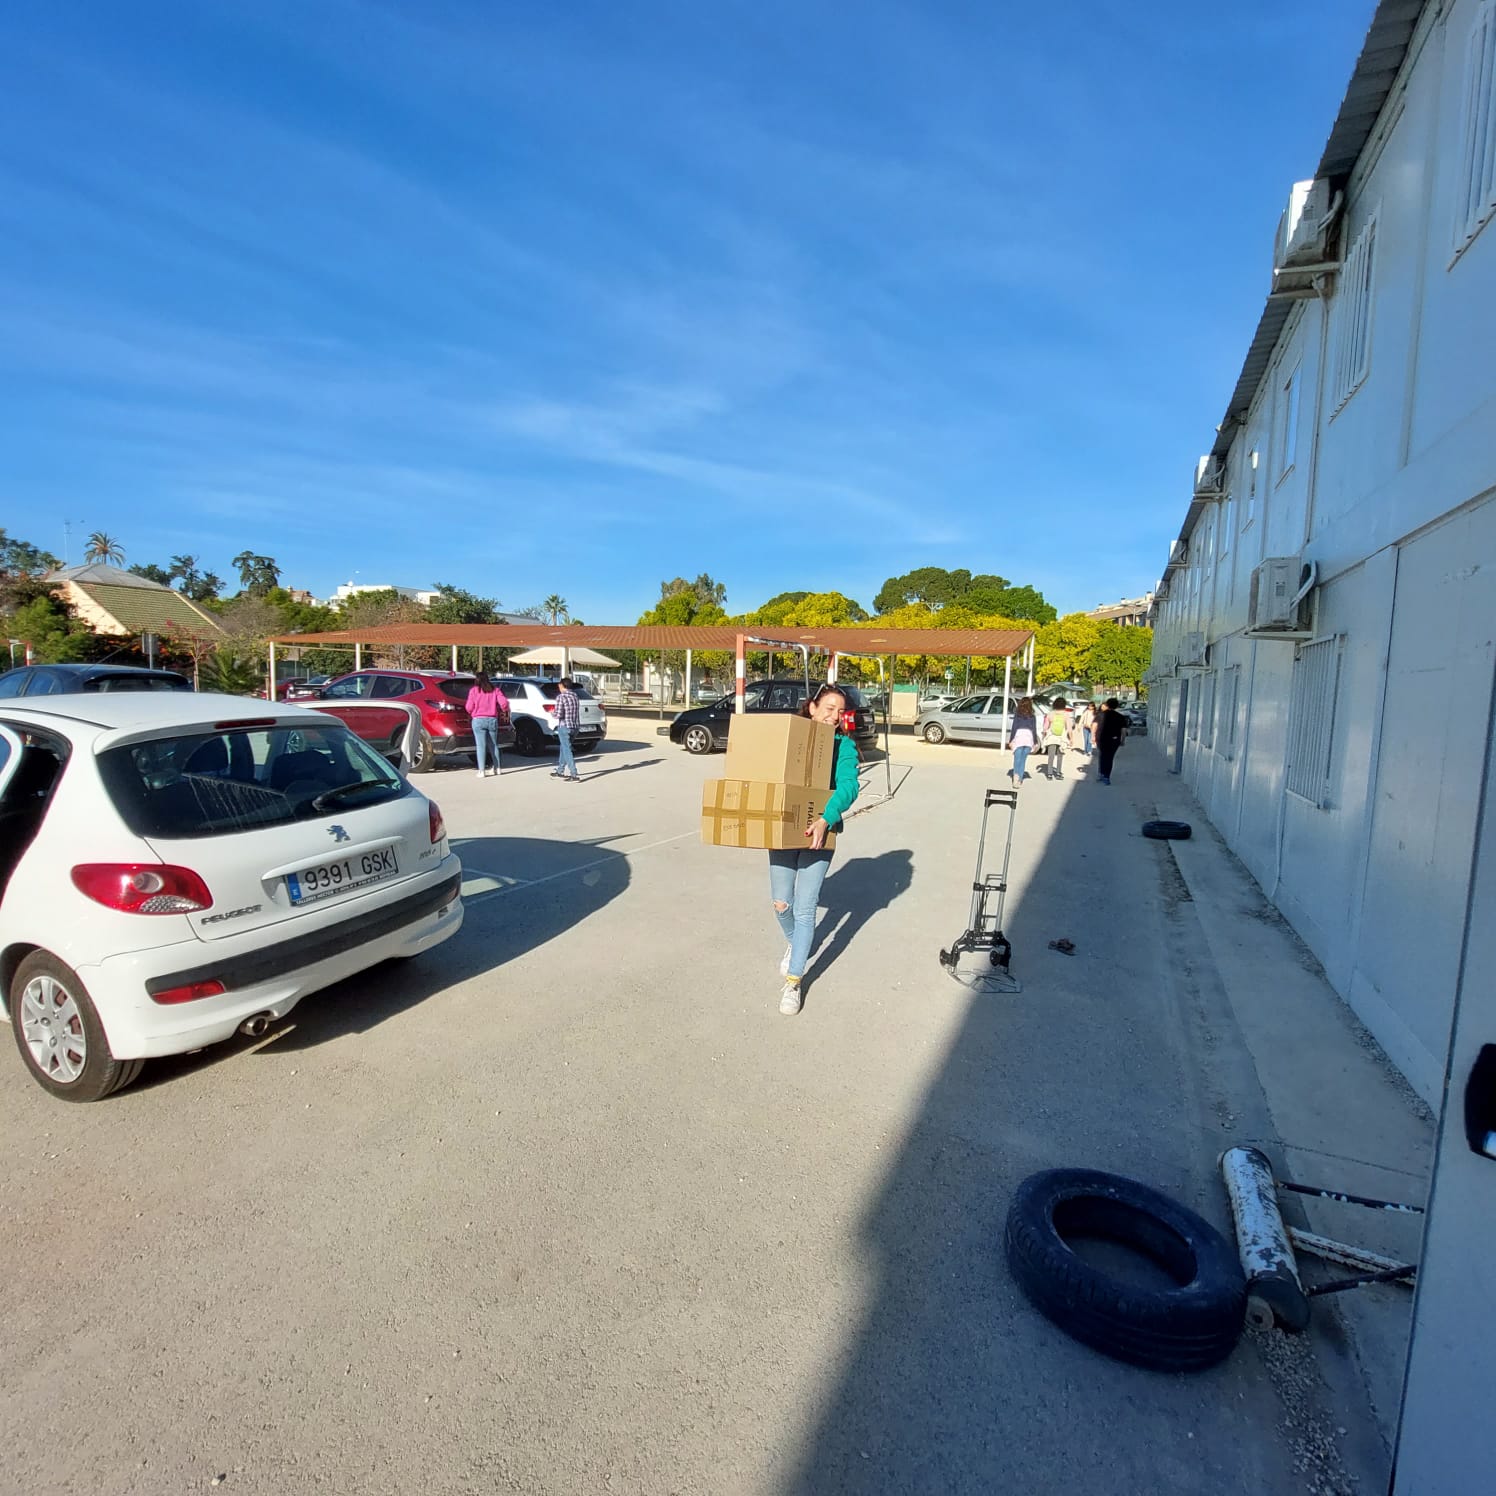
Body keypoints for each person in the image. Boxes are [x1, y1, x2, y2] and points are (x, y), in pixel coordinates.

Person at [771, 684, 860, 1016]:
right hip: (784, 828)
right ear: (812, 707)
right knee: (782, 903)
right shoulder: (791, 739)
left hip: (821, 833)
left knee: (806, 910)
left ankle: (794, 981)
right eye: (829, 708)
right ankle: (797, 945)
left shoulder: (844, 746)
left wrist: (826, 818)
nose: (834, 716)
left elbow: (850, 785)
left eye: (840, 711)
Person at [465, 671, 511, 778]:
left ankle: (482, 771)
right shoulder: (495, 690)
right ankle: (497, 768)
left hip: (478, 720)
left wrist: (472, 712)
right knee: (494, 745)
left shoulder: (474, 691)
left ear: (477, 680)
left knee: (481, 746)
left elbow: (468, 707)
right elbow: (504, 703)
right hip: (492, 720)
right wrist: (504, 709)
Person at [552, 677, 581, 781]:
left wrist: (552, 713)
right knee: (564, 748)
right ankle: (560, 770)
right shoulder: (575, 695)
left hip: (564, 726)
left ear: (562, 685)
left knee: (567, 750)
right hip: (575, 726)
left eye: (559, 685)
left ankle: (574, 773)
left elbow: (558, 714)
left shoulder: (561, 697)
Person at [1095, 697, 1130, 784]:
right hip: (1114, 739)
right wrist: (1123, 740)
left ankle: (1101, 774)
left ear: (1107, 704)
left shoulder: (1100, 714)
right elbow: (1124, 730)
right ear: (1117, 706)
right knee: (1110, 758)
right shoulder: (1120, 717)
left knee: (1102, 756)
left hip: (1101, 738)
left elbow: (1094, 726)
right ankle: (1106, 776)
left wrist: (1093, 736)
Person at [1009, 697, 1039, 788]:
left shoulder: (1017, 715)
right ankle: (1020, 780)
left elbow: (1014, 728)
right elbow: (1034, 729)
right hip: (1028, 738)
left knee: (1017, 759)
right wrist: (1035, 741)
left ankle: (1015, 778)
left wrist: (1011, 740)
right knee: (1023, 760)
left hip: (1019, 737)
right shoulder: (1032, 716)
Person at [1041, 697, 1070, 780]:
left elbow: (1045, 727)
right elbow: (1069, 728)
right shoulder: (1066, 714)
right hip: (1061, 738)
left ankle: (1049, 774)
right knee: (1060, 756)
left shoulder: (1050, 714)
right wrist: (1071, 739)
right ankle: (1058, 773)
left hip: (1051, 737)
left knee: (1051, 756)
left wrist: (1044, 735)